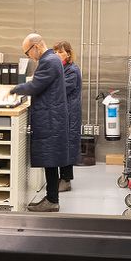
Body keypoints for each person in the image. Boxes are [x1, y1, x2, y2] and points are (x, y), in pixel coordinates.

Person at [8, 33, 72, 211]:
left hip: (50, 119)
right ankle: (51, 198)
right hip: (51, 116)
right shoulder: (51, 59)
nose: (29, 57)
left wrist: (13, 89)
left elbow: (35, 86)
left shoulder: (49, 61)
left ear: (35, 46)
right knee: (49, 160)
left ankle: (52, 200)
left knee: (50, 159)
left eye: (28, 53)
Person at [53, 40, 81, 192]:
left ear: (68, 54)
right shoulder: (61, 68)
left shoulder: (72, 70)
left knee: (66, 145)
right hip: (62, 112)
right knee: (62, 145)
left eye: (60, 52)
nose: (57, 55)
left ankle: (66, 180)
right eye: (55, 52)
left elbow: (60, 89)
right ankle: (62, 178)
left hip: (69, 113)